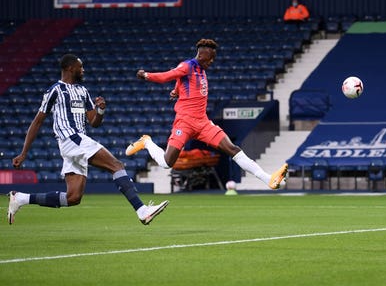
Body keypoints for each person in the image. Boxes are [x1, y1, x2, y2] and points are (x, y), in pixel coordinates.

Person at [8, 54, 169, 225]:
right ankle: (142, 210)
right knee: (116, 166)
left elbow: (94, 123)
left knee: (73, 197)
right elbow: (37, 122)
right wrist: (24, 153)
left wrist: (100, 111)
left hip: (77, 142)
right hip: (71, 139)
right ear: (70, 68)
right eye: (80, 67)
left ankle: (20, 198)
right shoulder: (55, 90)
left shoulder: (82, 91)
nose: (83, 70)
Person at [125, 38, 288, 190]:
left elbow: (181, 81)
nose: (211, 62)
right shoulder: (187, 66)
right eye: (210, 58)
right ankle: (147, 142)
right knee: (167, 163)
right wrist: (147, 75)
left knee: (232, 149)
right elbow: (168, 75)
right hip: (185, 122)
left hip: (203, 123)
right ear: (201, 54)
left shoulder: (201, 71)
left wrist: (176, 91)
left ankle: (268, 179)